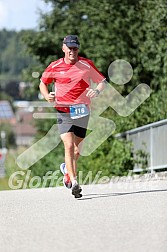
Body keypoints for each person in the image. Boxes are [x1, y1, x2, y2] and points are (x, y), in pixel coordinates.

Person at [39, 35, 106, 198]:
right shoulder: (55, 66)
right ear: (63, 48)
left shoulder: (86, 65)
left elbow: (102, 81)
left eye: (75, 48)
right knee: (68, 145)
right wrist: (47, 95)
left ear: (78, 49)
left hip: (82, 111)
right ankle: (75, 183)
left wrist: (96, 91)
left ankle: (67, 172)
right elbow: (42, 83)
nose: (72, 51)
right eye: (69, 48)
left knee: (77, 150)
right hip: (64, 110)